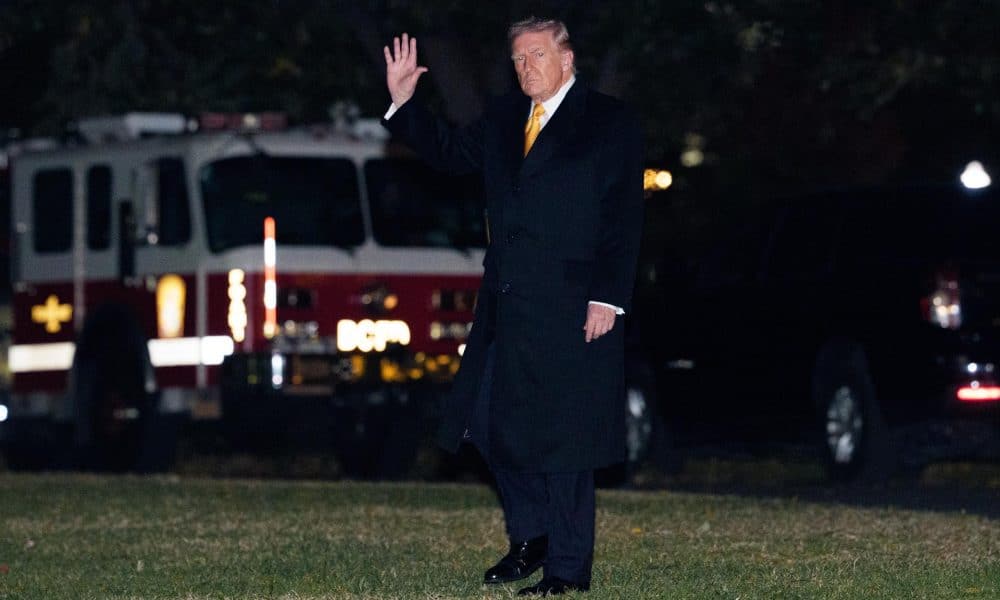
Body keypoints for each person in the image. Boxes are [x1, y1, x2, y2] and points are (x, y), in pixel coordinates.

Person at [382, 16, 643, 596]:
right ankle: (531, 538)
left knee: (564, 439)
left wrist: (608, 297)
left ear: (567, 57)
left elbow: (624, 217)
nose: (527, 68)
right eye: (519, 59)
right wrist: (406, 103)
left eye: (538, 56)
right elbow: (449, 154)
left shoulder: (609, 122)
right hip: (506, 305)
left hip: (574, 306)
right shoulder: (504, 118)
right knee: (484, 419)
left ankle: (568, 570)